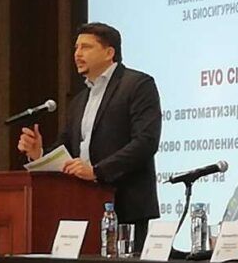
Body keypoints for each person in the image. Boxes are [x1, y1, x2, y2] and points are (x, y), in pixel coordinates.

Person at [17, 23, 161, 249]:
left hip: (126, 206)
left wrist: (97, 171)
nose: (77, 54)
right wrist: (39, 154)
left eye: (86, 47)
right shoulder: (79, 100)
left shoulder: (137, 85)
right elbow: (66, 149)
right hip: (81, 204)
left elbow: (146, 142)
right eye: (76, 48)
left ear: (109, 52)